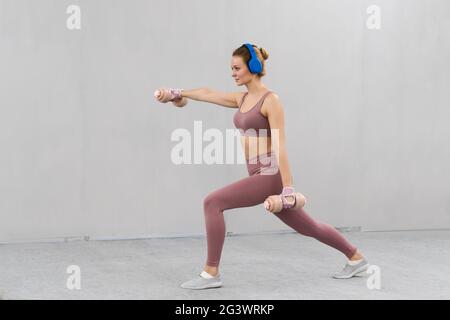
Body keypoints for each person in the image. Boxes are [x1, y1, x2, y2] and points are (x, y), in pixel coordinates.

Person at [155, 43, 369, 290]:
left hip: (269, 173)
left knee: (212, 203)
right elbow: (208, 93)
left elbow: (280, 144)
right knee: (308, 227)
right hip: (256, 172)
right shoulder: (243, 98)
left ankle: (211, 273)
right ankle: (356, 258)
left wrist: (288, 187)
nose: (233, 73)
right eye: (231, 69)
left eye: (236, 68)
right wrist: (177, 92)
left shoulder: (271, 100)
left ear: (253, 67)